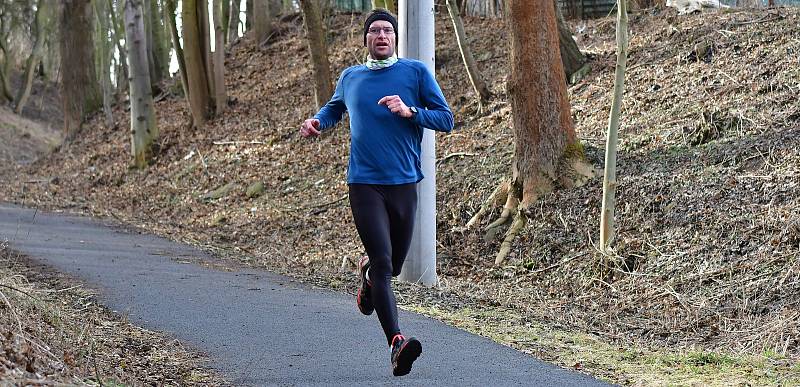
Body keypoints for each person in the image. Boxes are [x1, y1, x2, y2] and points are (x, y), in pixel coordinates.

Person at [299, 8, 454, 377]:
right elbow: (335, 108)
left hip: (403, 184)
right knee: (386, 264)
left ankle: (367, 275)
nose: (382, 35)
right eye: (375, 31)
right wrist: (319, 121)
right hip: (364, 184)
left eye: (387, 30)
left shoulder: (415, 73)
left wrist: (410, 111)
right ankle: (397, 343)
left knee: (392, 266)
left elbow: (445, 118)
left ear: (395, 38)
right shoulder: (351, 77)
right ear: (366, 39)